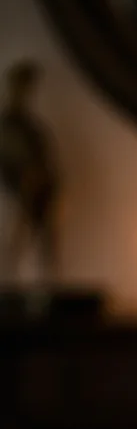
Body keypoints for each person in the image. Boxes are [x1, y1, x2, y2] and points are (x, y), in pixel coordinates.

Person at [0, 59, 59, 284]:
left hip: (37, 195)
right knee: (13, 247)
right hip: (15, 195)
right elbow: (14, 155)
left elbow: (43, 158)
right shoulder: (8, 125)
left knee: (40, 253)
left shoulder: (32, 127)